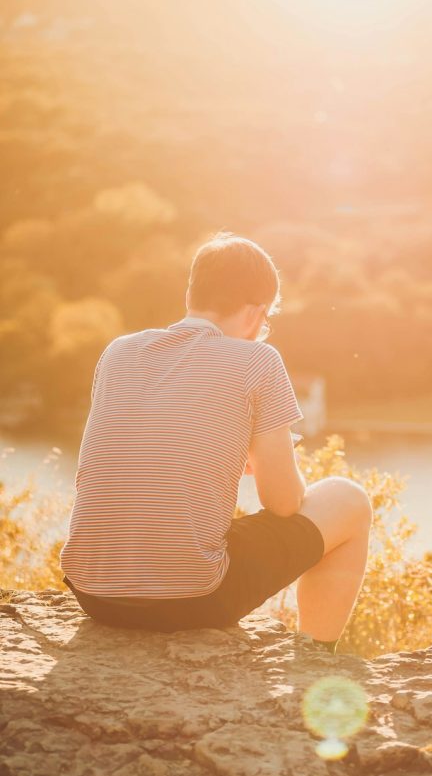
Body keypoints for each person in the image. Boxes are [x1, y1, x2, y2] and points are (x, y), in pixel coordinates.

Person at [60, 230, 373, 654]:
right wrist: (266, 459)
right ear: (256, 314)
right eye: (266, 321)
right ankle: (315, 658)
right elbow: (283, 503)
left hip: (93, 595)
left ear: (192, 294)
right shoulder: (258, 360)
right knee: (348, 499)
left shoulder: (119, 351)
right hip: (191, 599)